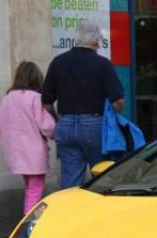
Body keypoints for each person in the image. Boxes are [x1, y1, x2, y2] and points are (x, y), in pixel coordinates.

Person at [42, 21, 125, 189]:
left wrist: (60, 120)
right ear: (97, 41)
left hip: (65, 124)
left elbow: (46, 103)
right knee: (102, 176)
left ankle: (71, 213)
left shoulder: (58, 62)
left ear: (76, 39)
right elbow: (118, 101)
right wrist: (111, 117)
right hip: (94, 124)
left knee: (70, 181)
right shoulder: (103, 64)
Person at [0, 62, 56, 214]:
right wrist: (57, 133)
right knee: (35, 189)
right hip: (33, 152)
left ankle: (28, 220)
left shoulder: (8, 98)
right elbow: (47, 126)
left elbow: (0, 124)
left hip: (16, 151)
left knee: (30, 187)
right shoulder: (35, 98)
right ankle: (29, 224)